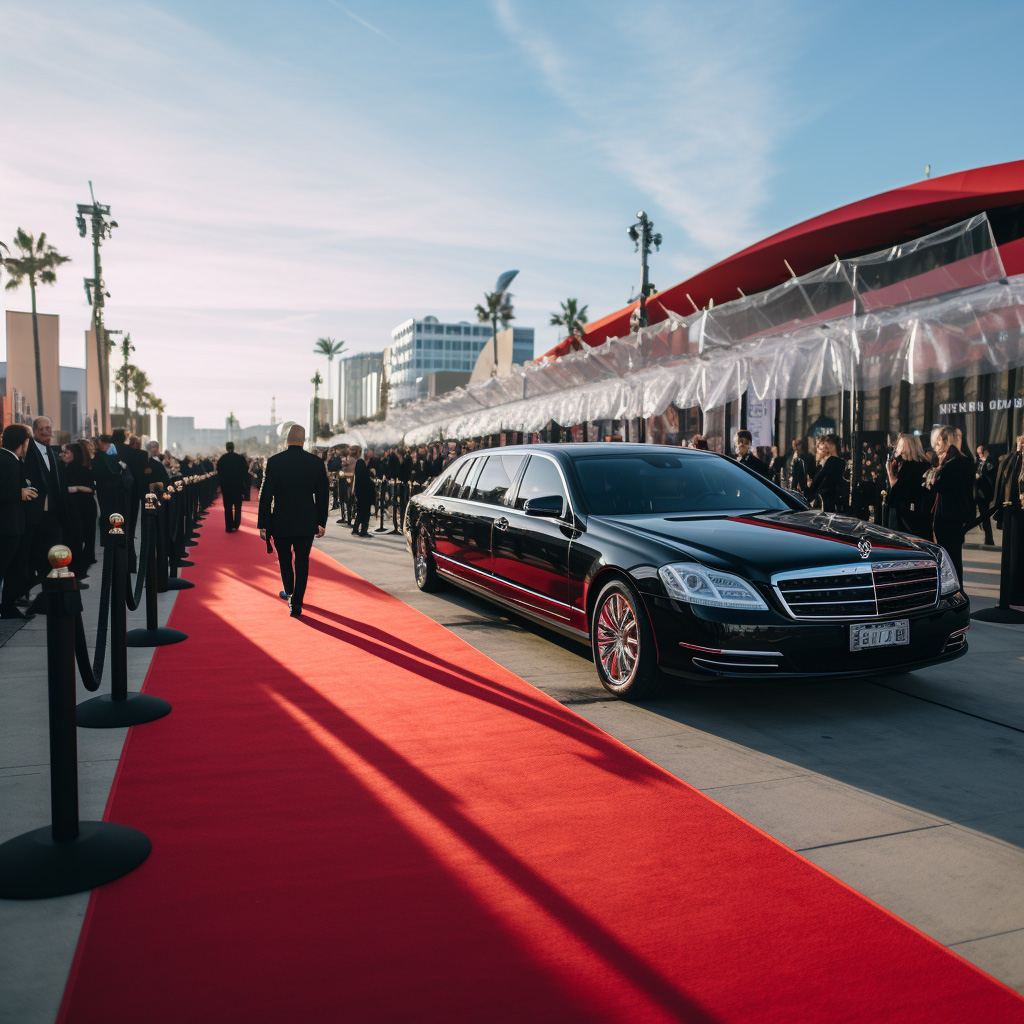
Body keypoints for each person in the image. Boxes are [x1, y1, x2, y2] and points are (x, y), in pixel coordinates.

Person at [258, 425, 328, 618]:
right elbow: (322, 495)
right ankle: (297, 602)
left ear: (286, 440)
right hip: (307, 521)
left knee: (284, 560)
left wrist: (263, 523)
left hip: (281, 520)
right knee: (302, 562)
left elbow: (266, 496)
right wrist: (322, 522)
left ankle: (289, 592)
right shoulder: (315, 462)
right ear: (303, 440)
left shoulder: (274, 462)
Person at [23, 415, 68, 590]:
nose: (45, 431)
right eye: (41, 428)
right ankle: (27, 592)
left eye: (48, 428)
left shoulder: (52, 451)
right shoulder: (28, 450)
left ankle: (49, 592)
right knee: (33, 555)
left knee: (54, 552)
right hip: (34, 512)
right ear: (34, 431)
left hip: (54, 513)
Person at [927, 425, 974, 585]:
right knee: (949, 555)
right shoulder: (959, 461)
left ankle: (954, 588)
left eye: (940, 441)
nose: (938, 446)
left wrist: (939, 469)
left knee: (951, 556)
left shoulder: (959, 462)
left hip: (951, 515)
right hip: (948, 514)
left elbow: (941, 485)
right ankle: (952, 587)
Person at [0, 424, 37, 620]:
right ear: (22, 442)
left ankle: (7, 607)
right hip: (6, 526)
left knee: (12, 569)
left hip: (13, 525)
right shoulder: (5, 461)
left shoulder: (12, 460)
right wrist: (19, 493)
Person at [994, 434, 1024, 611]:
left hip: (1011, 512)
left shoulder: (1009, 459)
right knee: (1015, 557)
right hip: (1014, 513)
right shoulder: (1012, 459)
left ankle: (1013, 597)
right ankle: (1014, 598)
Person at [885, 433, 931, 539]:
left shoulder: (908, 467)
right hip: (921, 518)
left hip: (905, 520)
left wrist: (890, 475)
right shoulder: (924, 465)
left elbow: (895, 494)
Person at [806, 435, 845, 512]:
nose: (817, 451)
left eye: (821, 449)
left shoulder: (831, 463)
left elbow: (812, 491)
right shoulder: (839, 463)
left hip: (826, 507)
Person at [217, 441, 250, 532]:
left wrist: (220, 486)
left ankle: (229, 526)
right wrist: (246, 487)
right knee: (238, 507)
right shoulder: (240, 458)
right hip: (238, 486)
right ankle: (236, 524)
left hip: (226, 487)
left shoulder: (222, 459)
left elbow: (219, 474)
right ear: (234, 447)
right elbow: (245, 473)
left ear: (226, 448)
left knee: (227, 507)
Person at [975, 445, 997, 546]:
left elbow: (989, 474)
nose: (980, 455)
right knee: (983, 516)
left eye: (981, 453)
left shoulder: (990, 463)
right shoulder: (979, 463)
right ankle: (988, 538)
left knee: (985, 515)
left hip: (985, 493)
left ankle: (989, 538)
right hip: (979, 492)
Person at [351, 445, 373, 538]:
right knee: (365, 511)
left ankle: (356, 529)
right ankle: (364, 530)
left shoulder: (358, 463)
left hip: (360, 491)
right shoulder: (361, 462)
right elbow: (365, 478)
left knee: (360, 511)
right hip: (364, 491)